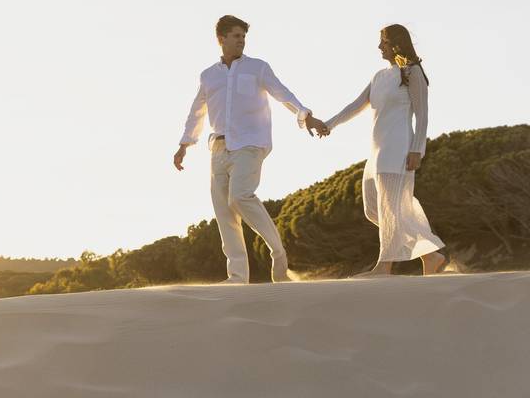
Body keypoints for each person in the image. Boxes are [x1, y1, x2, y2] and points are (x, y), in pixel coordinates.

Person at [174, 15, 324, 284]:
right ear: (221, 39)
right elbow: (196, 112)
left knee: (240, 196)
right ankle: (237, 276)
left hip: (250, 144)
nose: (241, 40)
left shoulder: (258, 68)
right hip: (218, 147)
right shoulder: (208, 76)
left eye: (243, 36)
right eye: (235, 36)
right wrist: (184, 145)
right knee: (224, 211)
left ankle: (278, 254)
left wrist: (305, 114)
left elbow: (282, 93)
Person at [318, 24, 447, 277]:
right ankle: (431, 255)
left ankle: (384, 266)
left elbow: (422, 116)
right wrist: (329, 125)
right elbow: (356, 104)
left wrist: (417, 150)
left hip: (399, 149)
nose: (379, 47)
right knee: (375, 210)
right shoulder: (379, 76)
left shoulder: (412, 73)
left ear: (396, 44)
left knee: (391, 209)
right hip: (377, 152)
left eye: (384, 42)